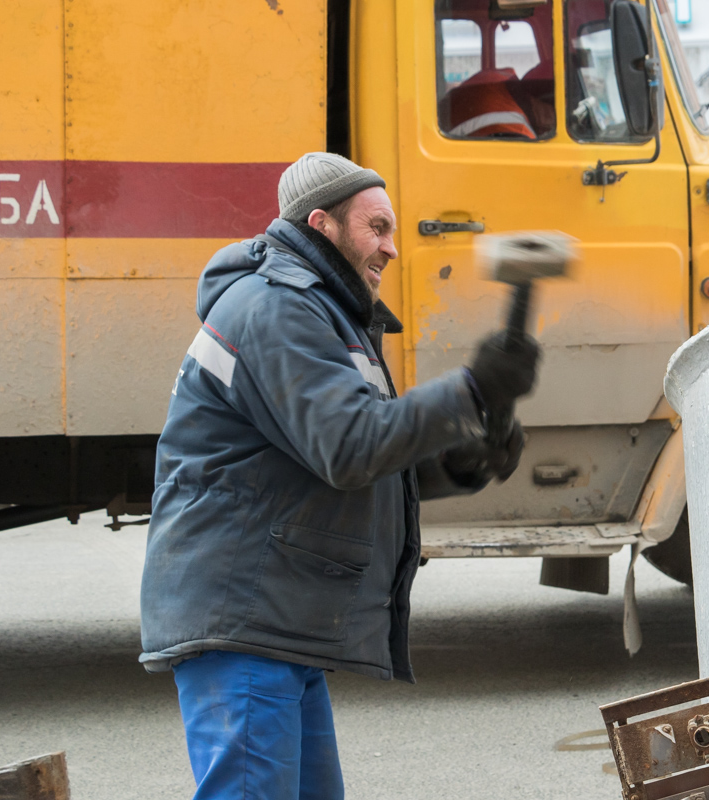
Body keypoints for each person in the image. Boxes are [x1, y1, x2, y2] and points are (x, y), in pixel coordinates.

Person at [139, 152, 539, 799]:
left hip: (277, 621)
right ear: (322, 224)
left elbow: (366, 458)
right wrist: (469, 390)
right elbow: (349, 448)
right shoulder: (276, 308)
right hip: (245, 619)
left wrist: (460, 460)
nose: (393, 248)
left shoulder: (330, 316)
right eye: (377, 228)